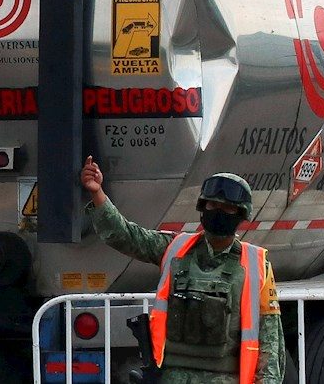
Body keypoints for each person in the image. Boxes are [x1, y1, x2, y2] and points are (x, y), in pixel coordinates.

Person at [80, 156, 284, 384]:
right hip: (171, 377)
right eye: (212, 205)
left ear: (241, 215)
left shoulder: (257, 264)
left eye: (228, 208)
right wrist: (97, 194)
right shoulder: (174, 249)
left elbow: (270, 341)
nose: (218, 212)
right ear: (202, 208)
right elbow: (126, 236)